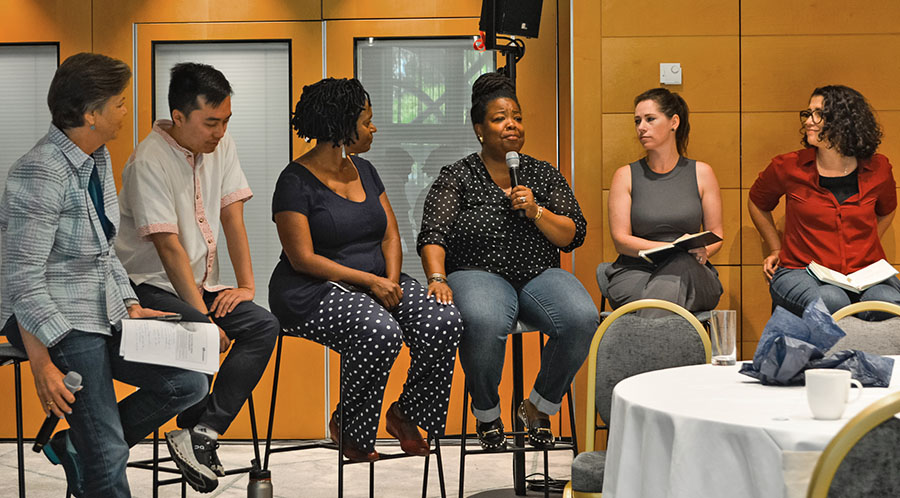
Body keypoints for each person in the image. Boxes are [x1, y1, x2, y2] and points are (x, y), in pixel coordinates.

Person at [0, 52, 208, 497]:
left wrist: (131, 306)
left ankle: (79, 444)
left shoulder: (95, 158)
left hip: (101, 312)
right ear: (91, 115)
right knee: (111, 453)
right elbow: (21, 278)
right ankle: (95, 448)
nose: (127, 111)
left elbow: (103, 251)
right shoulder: (40, 171)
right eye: (120, 103)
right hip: (57, 320)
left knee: (188, 383)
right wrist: (44, 361)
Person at [268, 77, 463, 462]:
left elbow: (391, 234)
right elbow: (302, 258)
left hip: (377, 282)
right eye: (367, 121)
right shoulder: (293, 181)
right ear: (342, 125)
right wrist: (372, 283)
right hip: (311, 289)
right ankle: (351, 428)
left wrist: (389, 281)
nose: (373, 128)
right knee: (379, 330)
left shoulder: (366, 170)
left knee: (444, 320)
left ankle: (406, 414)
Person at [115, 62, 279, 493]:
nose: (219, 132)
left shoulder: (218, 145)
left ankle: (201, 434)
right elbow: (168, 249)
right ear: (180, 116)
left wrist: (245, 286)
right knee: (201, 343)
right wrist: (202, 317)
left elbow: (232, 215)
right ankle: (114, 441)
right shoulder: (147, 159)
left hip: (201, 285)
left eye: (225, 121)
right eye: (211, 122)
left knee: (262, 325)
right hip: (150, 285)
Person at [418, 71, 598, 450]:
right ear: (479, 128)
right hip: (477, 273)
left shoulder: (541, 173)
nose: (511, 125)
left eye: (516, 116)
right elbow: (433, 234)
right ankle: (486, 411)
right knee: (484, 319)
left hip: (537, 274)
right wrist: (437, 276)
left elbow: (573, 234)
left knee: (582, 318)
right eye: (499, 118)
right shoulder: (459, 176)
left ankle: (537, 406)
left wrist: (536, 211)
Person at [748, 85, 900, 317]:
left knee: (888, 303)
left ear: (846, 121)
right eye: (808, 114)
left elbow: (888, 209)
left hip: (865, 273)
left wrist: (868, 244)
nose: (809, 121)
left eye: (819, 114)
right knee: (831, 299)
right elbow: (758, 202)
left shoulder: (879, 168)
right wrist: (776, 247)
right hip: (801, 270)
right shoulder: (788, 166)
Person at [604, 88, 724, 315]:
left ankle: (641, 346)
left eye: (650, 119)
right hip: (636, 271)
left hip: (692, 272)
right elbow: (621, 241)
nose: (641, 127)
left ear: (674, 122)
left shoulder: (702, 173)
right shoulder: (625, 176)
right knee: (667, 297)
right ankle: (667, 348)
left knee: (676, 274)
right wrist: (671, 249)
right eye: (637, 121)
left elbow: (716, 234)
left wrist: (703, 250)